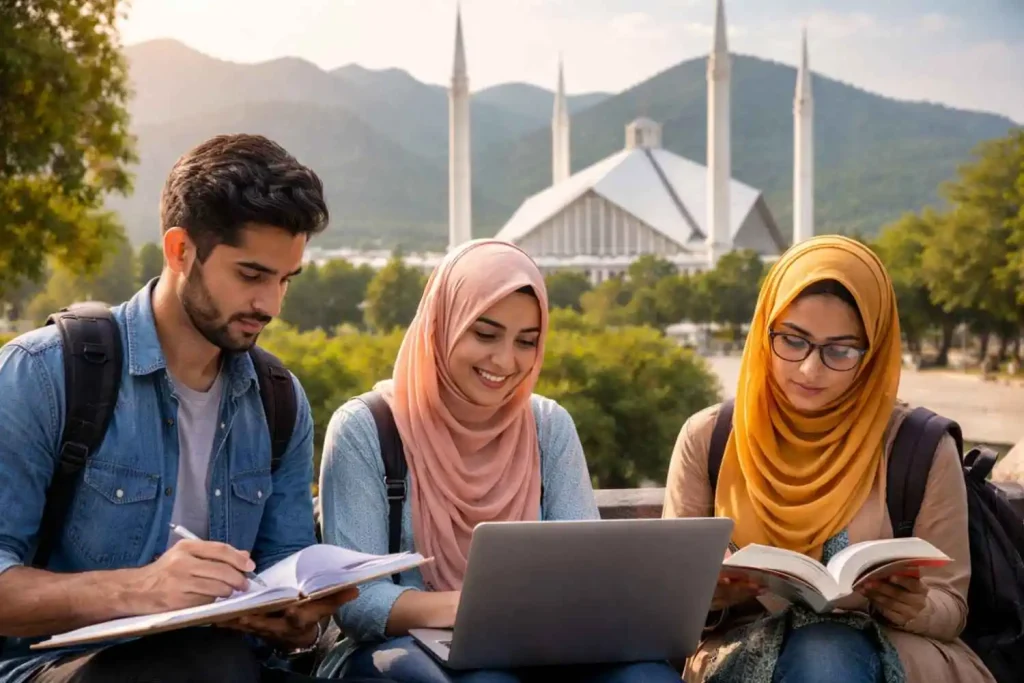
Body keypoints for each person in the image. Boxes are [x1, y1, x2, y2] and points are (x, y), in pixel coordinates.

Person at [0, 134, 372, 683]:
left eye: (284, 280)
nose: (269, 305)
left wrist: (299, 624)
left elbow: (288, 580)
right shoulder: (44, 373)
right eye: (251, 275)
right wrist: (140, 587)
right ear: (180, 251)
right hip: (56, 668)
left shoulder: (278, 400)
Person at [316, 239, 682, 682]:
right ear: (442, 324)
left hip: (540, 643)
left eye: (526, 342)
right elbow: (356, 600)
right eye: (485, 334)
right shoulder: (367, 428)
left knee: (648, 677)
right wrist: (471, 611)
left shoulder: (547, 426)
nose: (506, 361)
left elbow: (582, 569)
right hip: (404, 651)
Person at [662, 235, 995, 683]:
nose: (809, 370)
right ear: (765, 331)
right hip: (747, 655)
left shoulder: (919, 447)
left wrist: (914, 607)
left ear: (873, 352)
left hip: (892, 653)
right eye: (793, 341)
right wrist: (710, 597)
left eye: (840, 350)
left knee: (827, 653)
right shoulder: (710, 438)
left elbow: (950, 608)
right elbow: (666, 602)